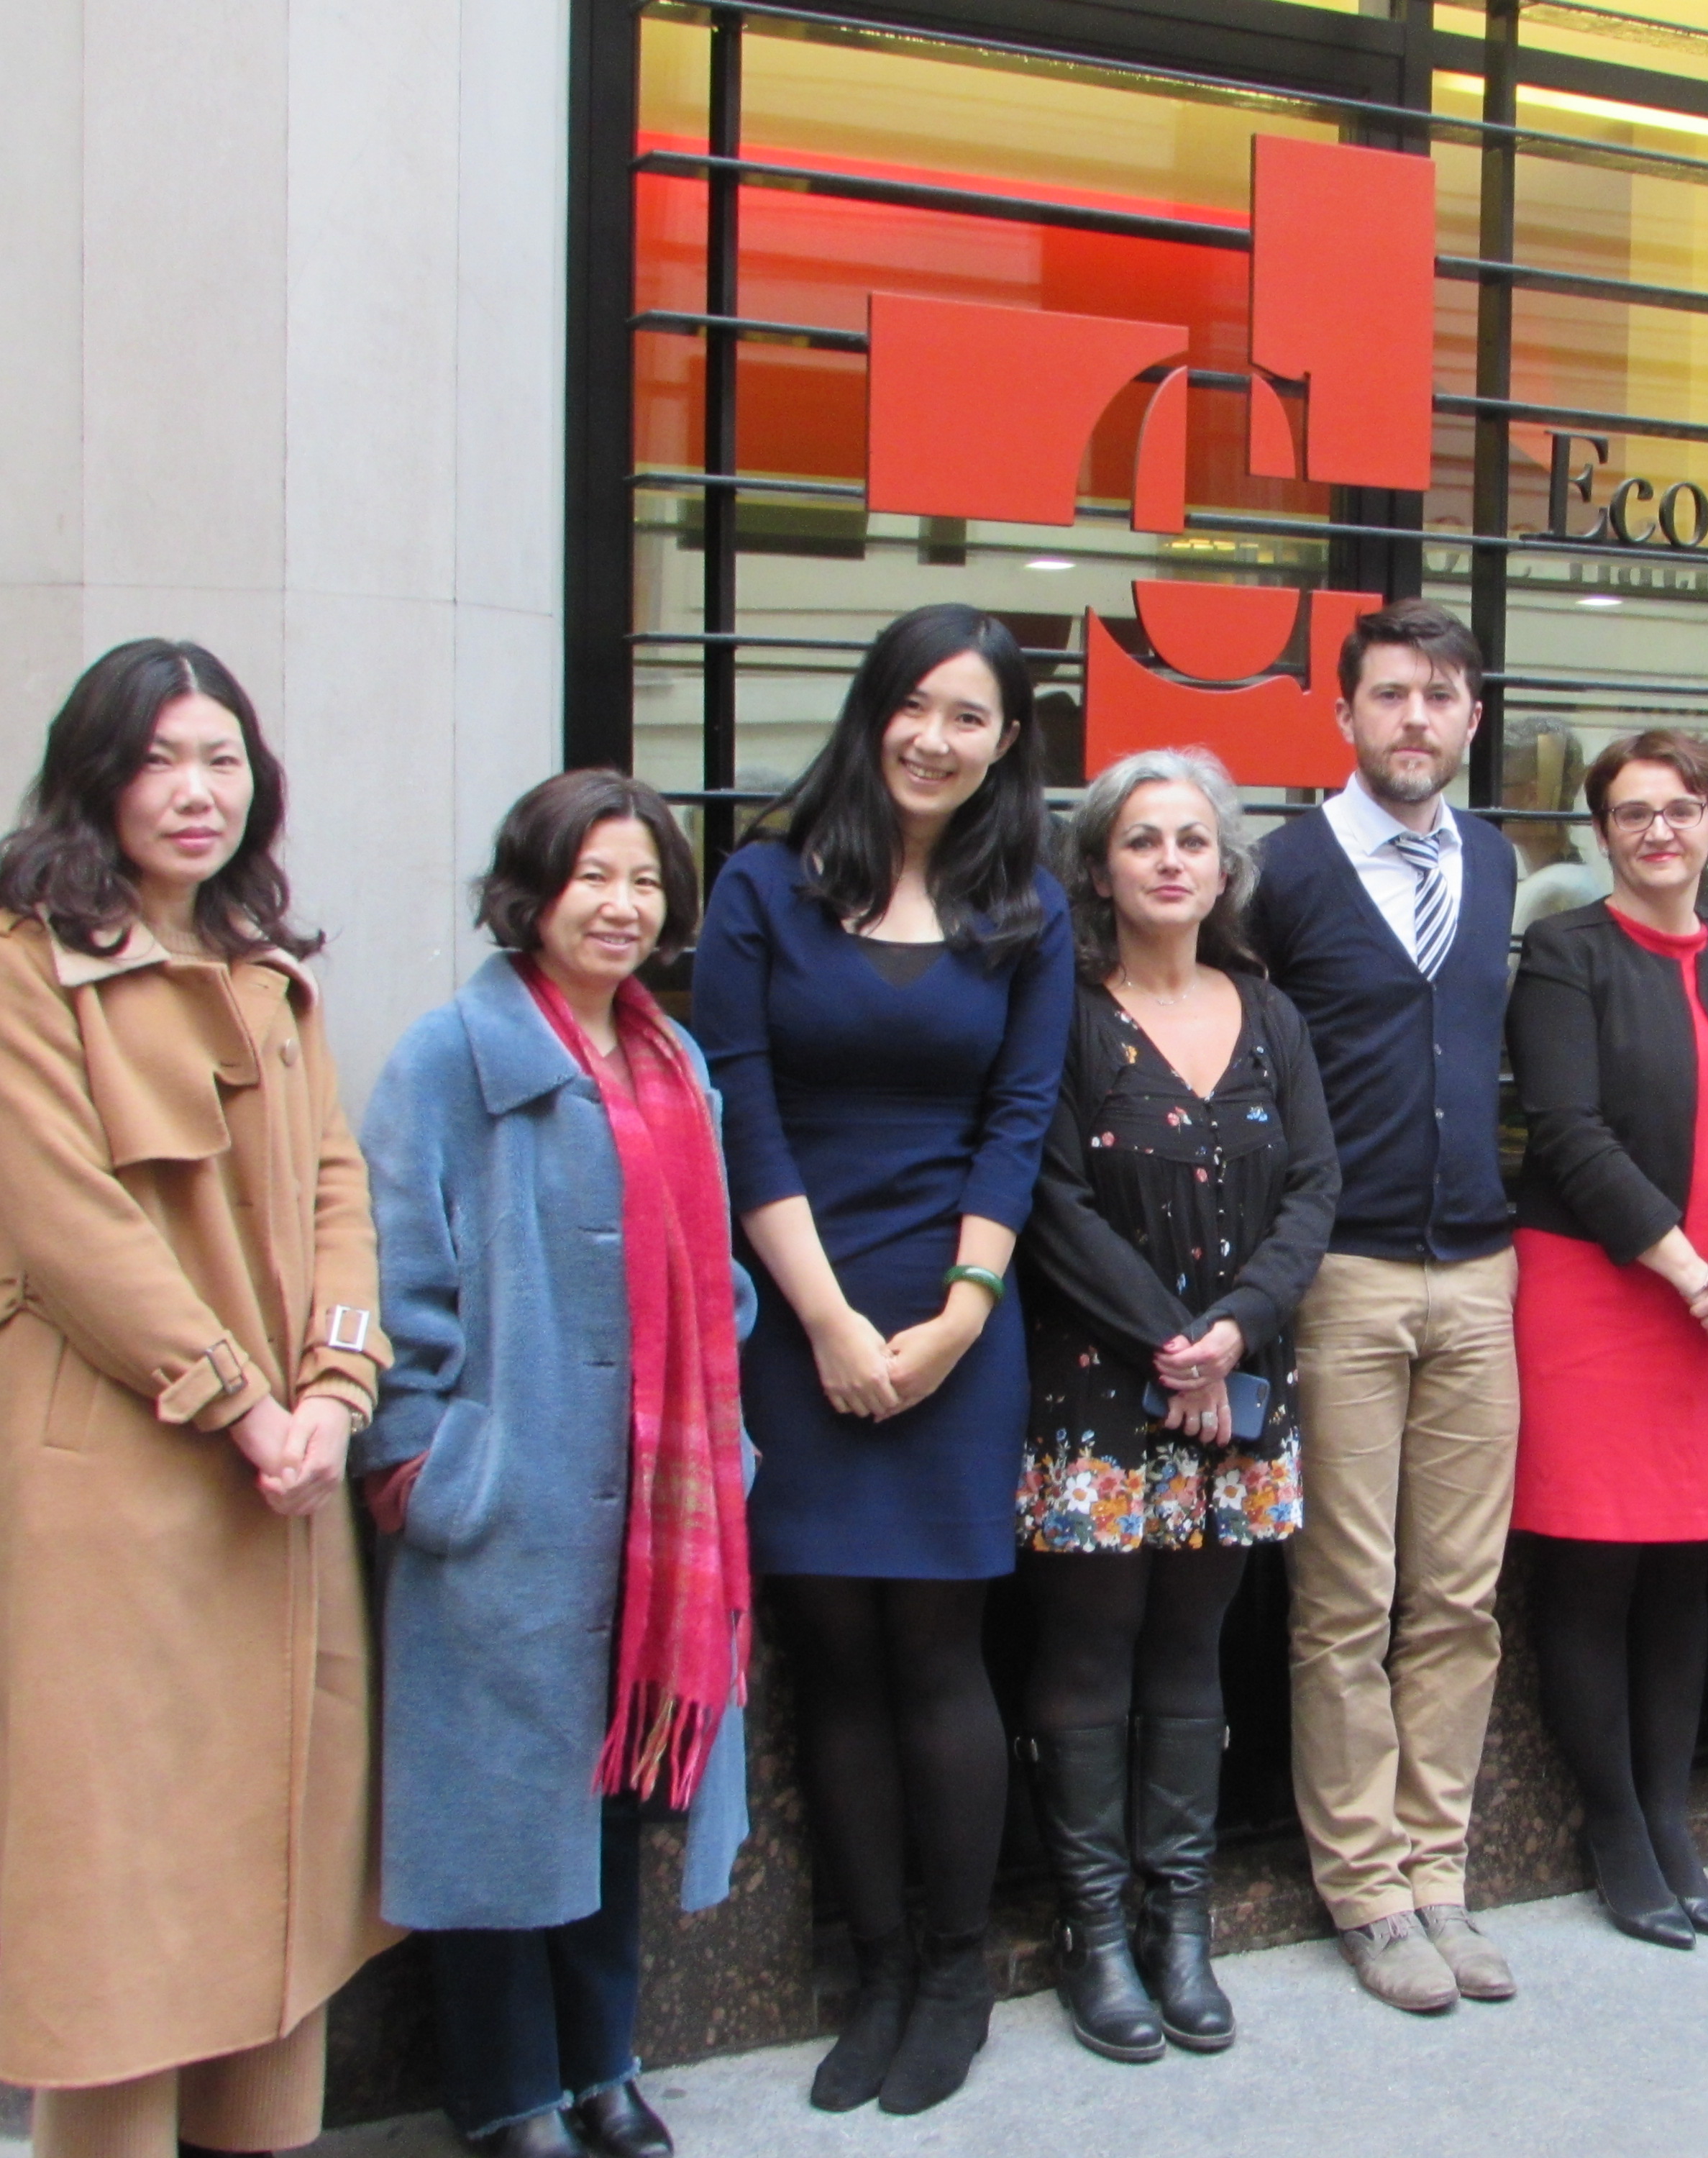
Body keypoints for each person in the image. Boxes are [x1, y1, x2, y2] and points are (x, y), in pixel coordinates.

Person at [0, 639, 392, 2158]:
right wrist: (239, 1404)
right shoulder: (20, 959)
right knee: (118, 1874)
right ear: (97, 777)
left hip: (288, 1467)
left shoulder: (269, 967)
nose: (196, 792)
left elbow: (342, 1185)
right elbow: (68, 1219)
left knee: (274, 1847)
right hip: (122, 1474)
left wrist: (336, 1385)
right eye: (159, 760)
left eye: (221, 759)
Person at [690, 603, 1071, 2116]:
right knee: (834, 1661)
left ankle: (958, 1971)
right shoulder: (760, 890)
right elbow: (744, 1108)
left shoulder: (1025, 907)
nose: (935, 737)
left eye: (969, 716)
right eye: (914, 706)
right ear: (871, 713)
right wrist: (832, 1323)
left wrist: (960, 1317)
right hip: (797, 1311)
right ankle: (875, 1971)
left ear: (1004, 744)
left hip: (958, 1319)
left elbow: (1019, 1121)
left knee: (938, 1656)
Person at [357, 772, 756, 2158]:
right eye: (594, 874)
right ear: (533, 889)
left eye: (646, 880)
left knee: (611, 1796)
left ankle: (605, 2066)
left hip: (652, 1507)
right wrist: (426, 1468)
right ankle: (511, 2093)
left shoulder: (676, 1062)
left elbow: (720, 1281)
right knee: (496, 1815)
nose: (623, 904)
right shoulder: (447, 1059)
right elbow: (398, 1276)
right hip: (505, 1506)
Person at [1015, 749, 1340, 2062]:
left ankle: (1181, 1928)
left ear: (1224, 867)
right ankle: (1095, 1940)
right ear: (1099, 866)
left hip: (1242, 1385)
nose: (1168, 861)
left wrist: (1231, 1339)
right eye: (1141, 840)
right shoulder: (1067, 1012)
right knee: (1091, 1653)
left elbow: (1315, 1188)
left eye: (1192, 842)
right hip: (1100, 1389)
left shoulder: (1272, 1015)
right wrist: (1171, 1346)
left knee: (1193, 1653)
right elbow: (1049, 1199)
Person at [1242, 597, 1521, 2015]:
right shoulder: (1284, 872)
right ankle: (1364, 1893)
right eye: (1390, 695)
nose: (1415, 719)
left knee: (1458, 1602)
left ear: (1472, 720)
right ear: (1343, 715)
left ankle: (1439, 1873)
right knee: (1344, 1603)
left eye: (1441, 697)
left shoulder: (1492, 857)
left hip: (1479, 1272)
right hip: (1341, 1275)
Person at [1507, 729, 1708, 1947]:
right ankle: (1615, 1830)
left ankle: (1673, 1817)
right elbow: (1568, 1133)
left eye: (1681, 809)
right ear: (1602, 834)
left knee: (1688, 1567)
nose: (1658, 832)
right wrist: (1693, 1267)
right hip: (1603, 1293)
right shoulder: (1565, 951)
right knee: (1596, 1567)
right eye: (1631, 813)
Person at [1501, 714, 1606, 934]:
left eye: (1502, 786)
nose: (1493, 800)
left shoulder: (1551, 891)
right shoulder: (1570, 880)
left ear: (1533, 795)